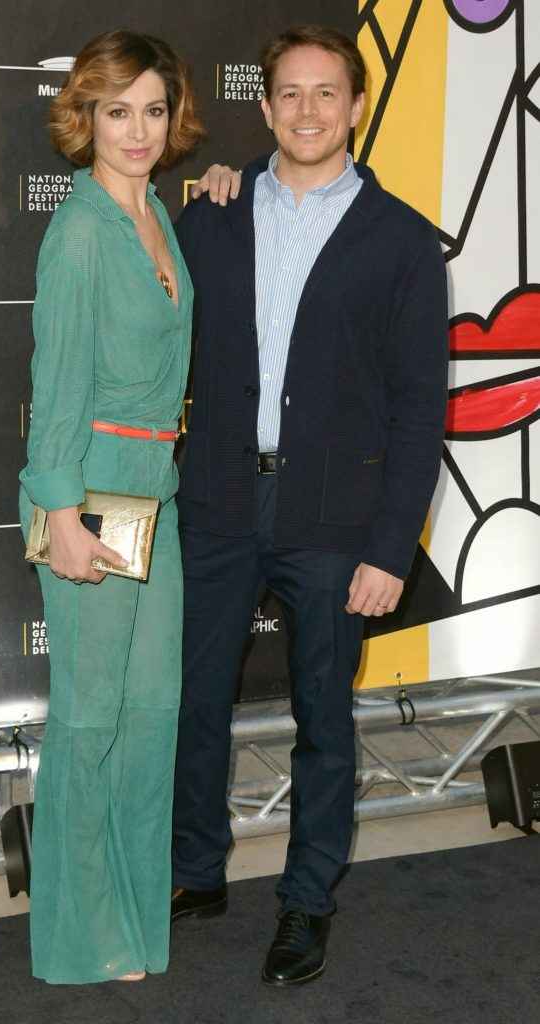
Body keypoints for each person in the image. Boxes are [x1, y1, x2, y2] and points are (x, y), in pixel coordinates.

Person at [171, 24, 449, 987]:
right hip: (215, 500)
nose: (307, 110)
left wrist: (392, 547)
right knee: (194, 702)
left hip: (337, 520)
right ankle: (195, 872)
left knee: (324, 718)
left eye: (327, 92)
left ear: (357, 106)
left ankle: (305, 901)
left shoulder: (404, 240)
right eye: (289, 92)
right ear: (264, 105)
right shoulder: (213, 213)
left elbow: (420, 410)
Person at [19, 29, 213, 985]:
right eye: (117, 111)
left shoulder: (157, 215)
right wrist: (61, 515)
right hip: (91, 489)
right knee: (91, 720)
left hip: (155, 493)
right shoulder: (81, 231)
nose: (138, 130)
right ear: (85, 118)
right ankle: (81, 935)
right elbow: (55, 386)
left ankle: (134, 921)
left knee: (150, 717)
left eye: (154, 110)